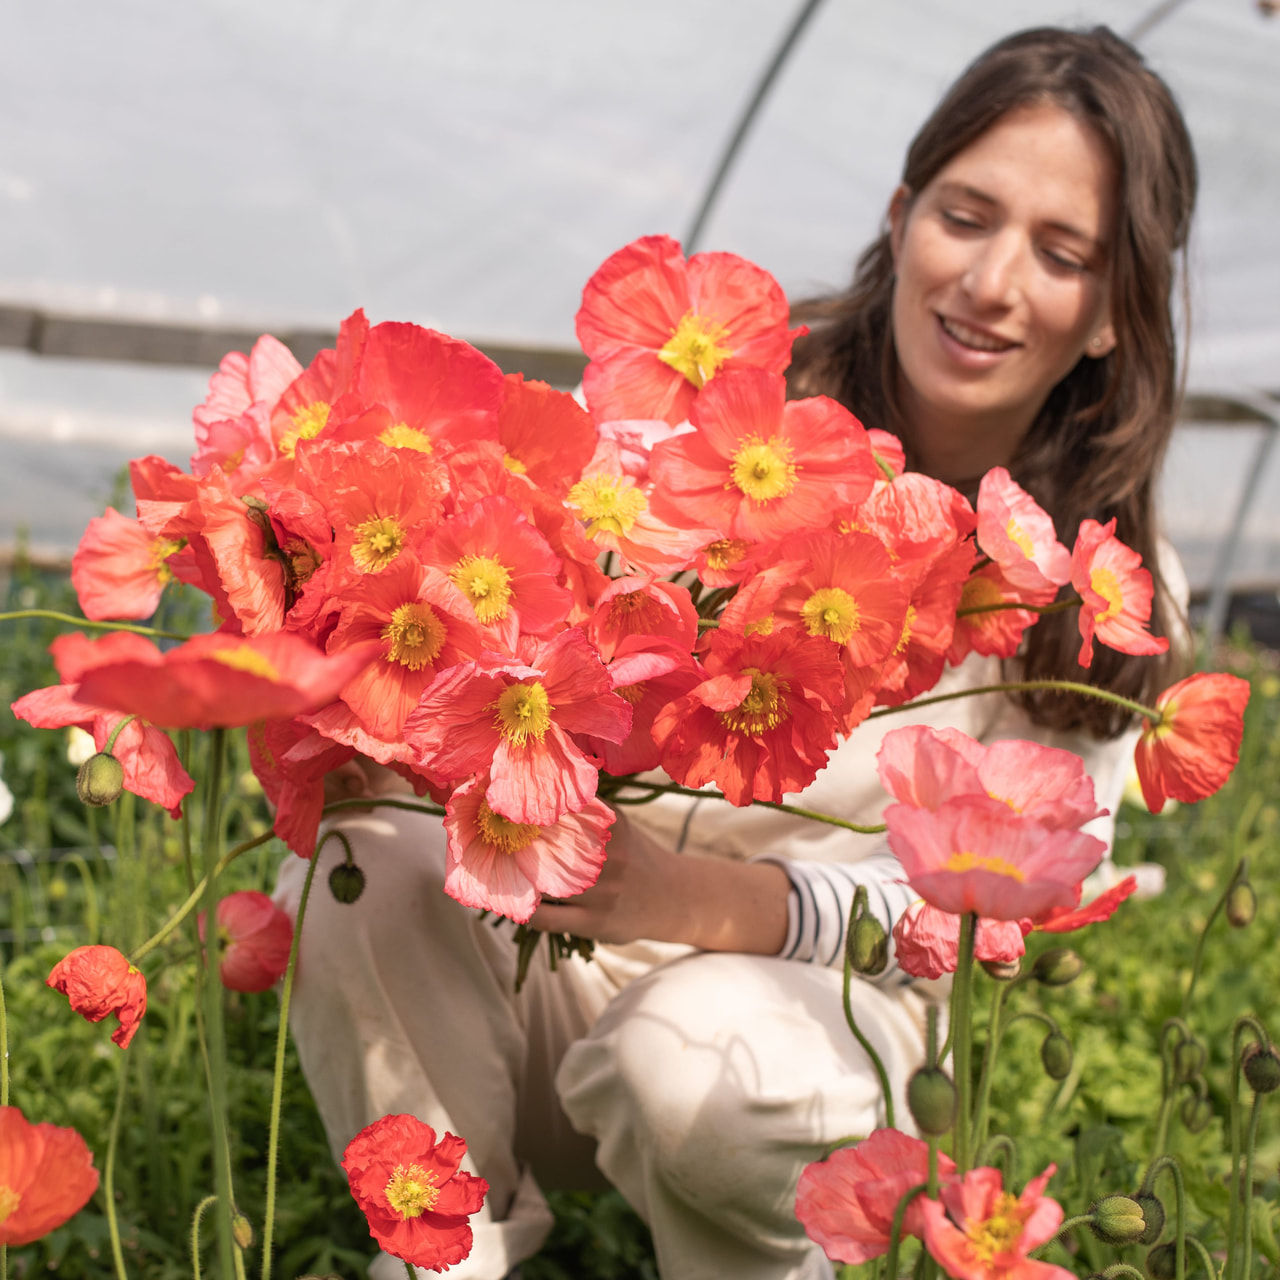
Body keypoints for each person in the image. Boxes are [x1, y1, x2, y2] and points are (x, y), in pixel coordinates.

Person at [274, 25, 1196, 1280]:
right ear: (900, 212)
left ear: (1106, 313)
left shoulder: (1085, 584)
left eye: (1058, 252)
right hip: (559, 957)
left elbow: (989, 914)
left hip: (798, 1030)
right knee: (360, 860)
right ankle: (448, 1246)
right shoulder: (713, 406)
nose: (988, 282)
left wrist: (708, 901)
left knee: (689, 1059)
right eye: (965, 216)